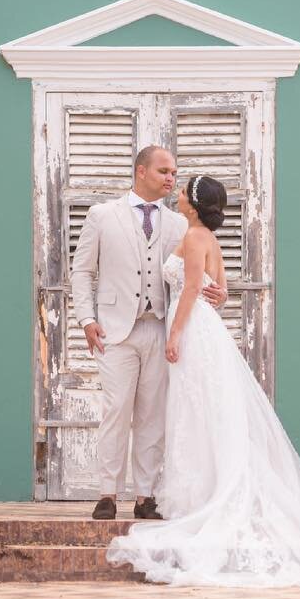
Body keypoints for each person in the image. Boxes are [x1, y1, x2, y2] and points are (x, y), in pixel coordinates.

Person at [106, 174, 300, 586]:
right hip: (206, 327)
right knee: (203, 410)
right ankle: (198, 491)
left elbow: (189, 292)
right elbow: (219, 288)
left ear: (195, 203)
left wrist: (176, 333)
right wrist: (212, 297)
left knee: (196, 411)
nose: (177, 195)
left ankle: (202, 497)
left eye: (183, 192)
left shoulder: (196, 236)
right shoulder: (204, 237)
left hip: (193, 329)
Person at [70, 146, 226, 521]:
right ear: (141, 171)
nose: (171, 179)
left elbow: (197, 278)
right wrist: (86, 320)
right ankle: (108, 493)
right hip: (113, 330)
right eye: (164, 171)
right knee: (115, 412)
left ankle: (146, 496)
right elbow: (81, 271)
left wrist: (219, 292)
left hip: (160, 328)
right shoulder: (102, 215)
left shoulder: (179, 224)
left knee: (154, 416)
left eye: (174, 173)